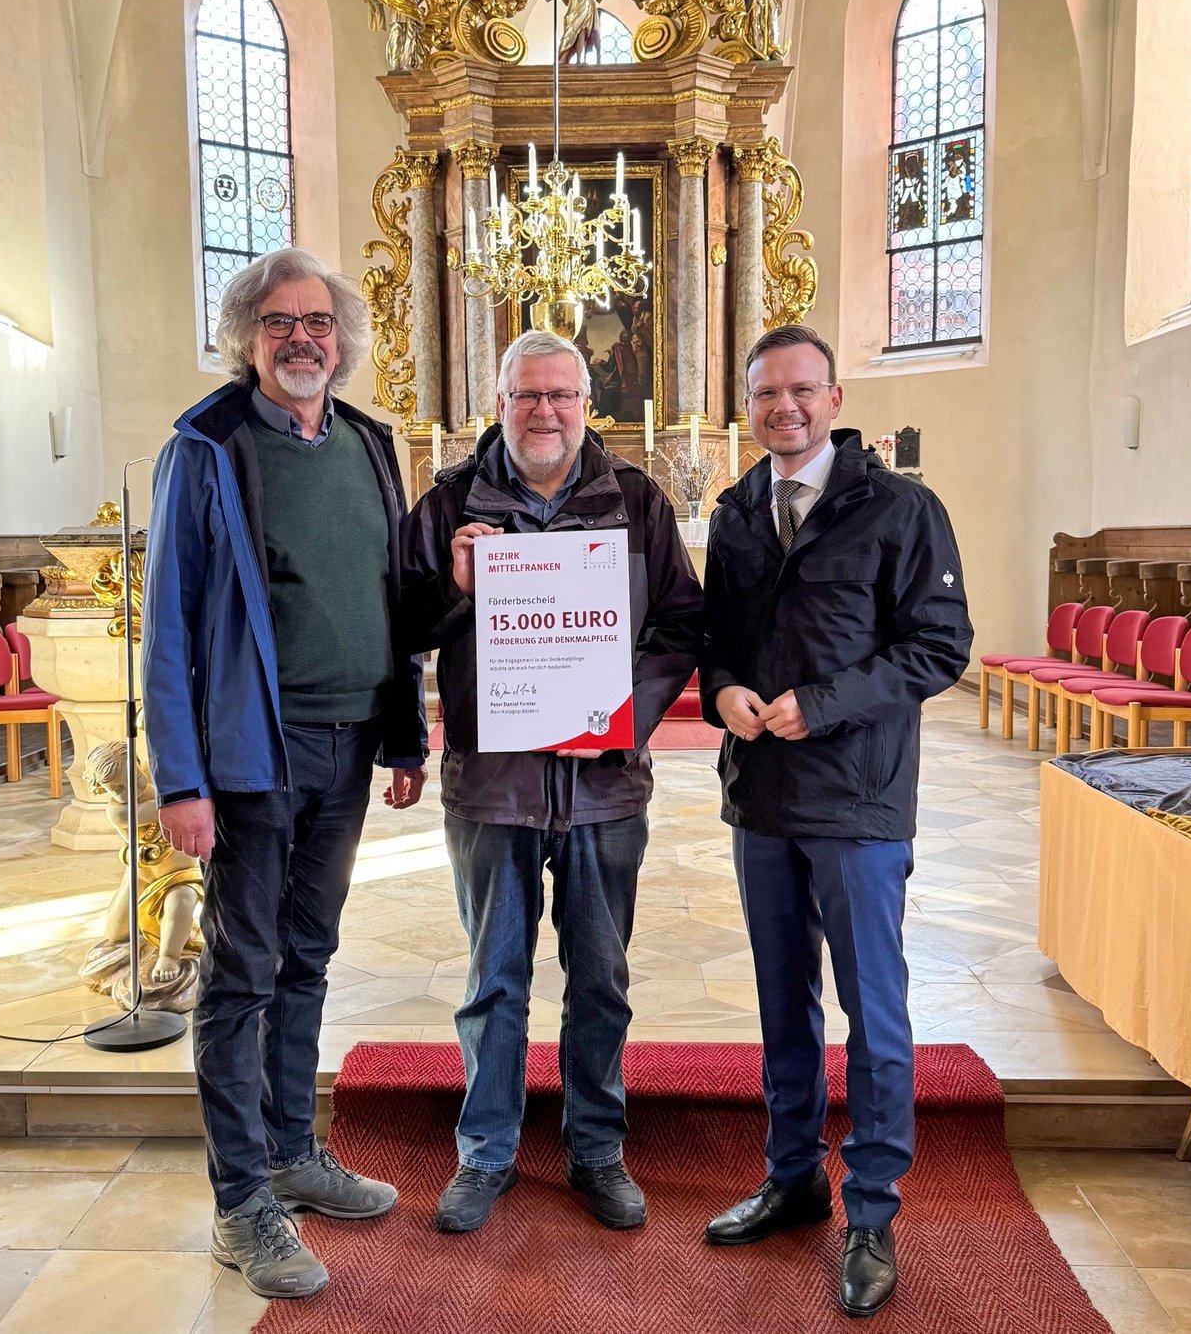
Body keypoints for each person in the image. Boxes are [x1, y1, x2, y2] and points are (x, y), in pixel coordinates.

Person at [141, 247, 427, 1300]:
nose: (301, 338)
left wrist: (403, 734)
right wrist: (181, 779)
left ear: (341, 338)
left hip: (351, 743)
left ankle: (292, 1152)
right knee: (241, 974)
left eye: (317, 321)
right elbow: (168, 624)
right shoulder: (204, 446)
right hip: (252, 755)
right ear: (246, 337)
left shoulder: (367, 442)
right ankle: (239, 1201)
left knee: (307, 953)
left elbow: (388, 596)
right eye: (278, 322)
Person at [401, 329, 703, 1235]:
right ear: (499, 404)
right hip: (492, 785)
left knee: (601, 976)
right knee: (494, 977)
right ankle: (486, 1152)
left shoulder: (638, 502)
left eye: (561, 396)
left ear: (586, 405)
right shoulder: (449, 501)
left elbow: (681, 626)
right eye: (527, 395)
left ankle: (597, 1149)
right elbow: (400, 620)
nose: (545, 411)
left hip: (605, 787)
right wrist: (453, 588)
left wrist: (619, 717)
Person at [700, 325, 971, 1319]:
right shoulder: (733, 513)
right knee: (781, 1005)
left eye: (802, 390)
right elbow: (714, 643)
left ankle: (869, 1209)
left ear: (834, 395)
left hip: (857, 796)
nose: (785, 407)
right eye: (767, 392)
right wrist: (722, 687)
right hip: (759, 798)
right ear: (749, 402)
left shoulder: (899, 506)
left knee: (875, 1011)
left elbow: (939, 647)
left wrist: (827, 699)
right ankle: (791, 1176)